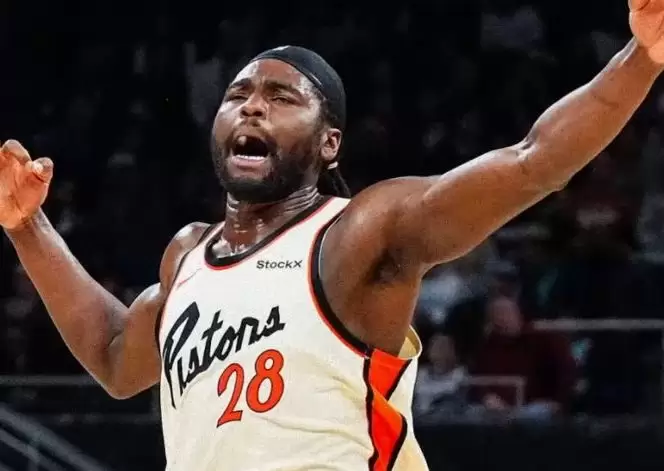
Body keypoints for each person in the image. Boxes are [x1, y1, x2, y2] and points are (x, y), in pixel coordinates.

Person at [1, 1, 663, 468]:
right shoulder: (188, 254)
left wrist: (642, 56)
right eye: (238, 93)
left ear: (329, 143)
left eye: (281, 97)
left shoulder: (358, 235)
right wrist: (26, 225)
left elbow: (532, 161)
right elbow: (116, 356)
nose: (252, 104)